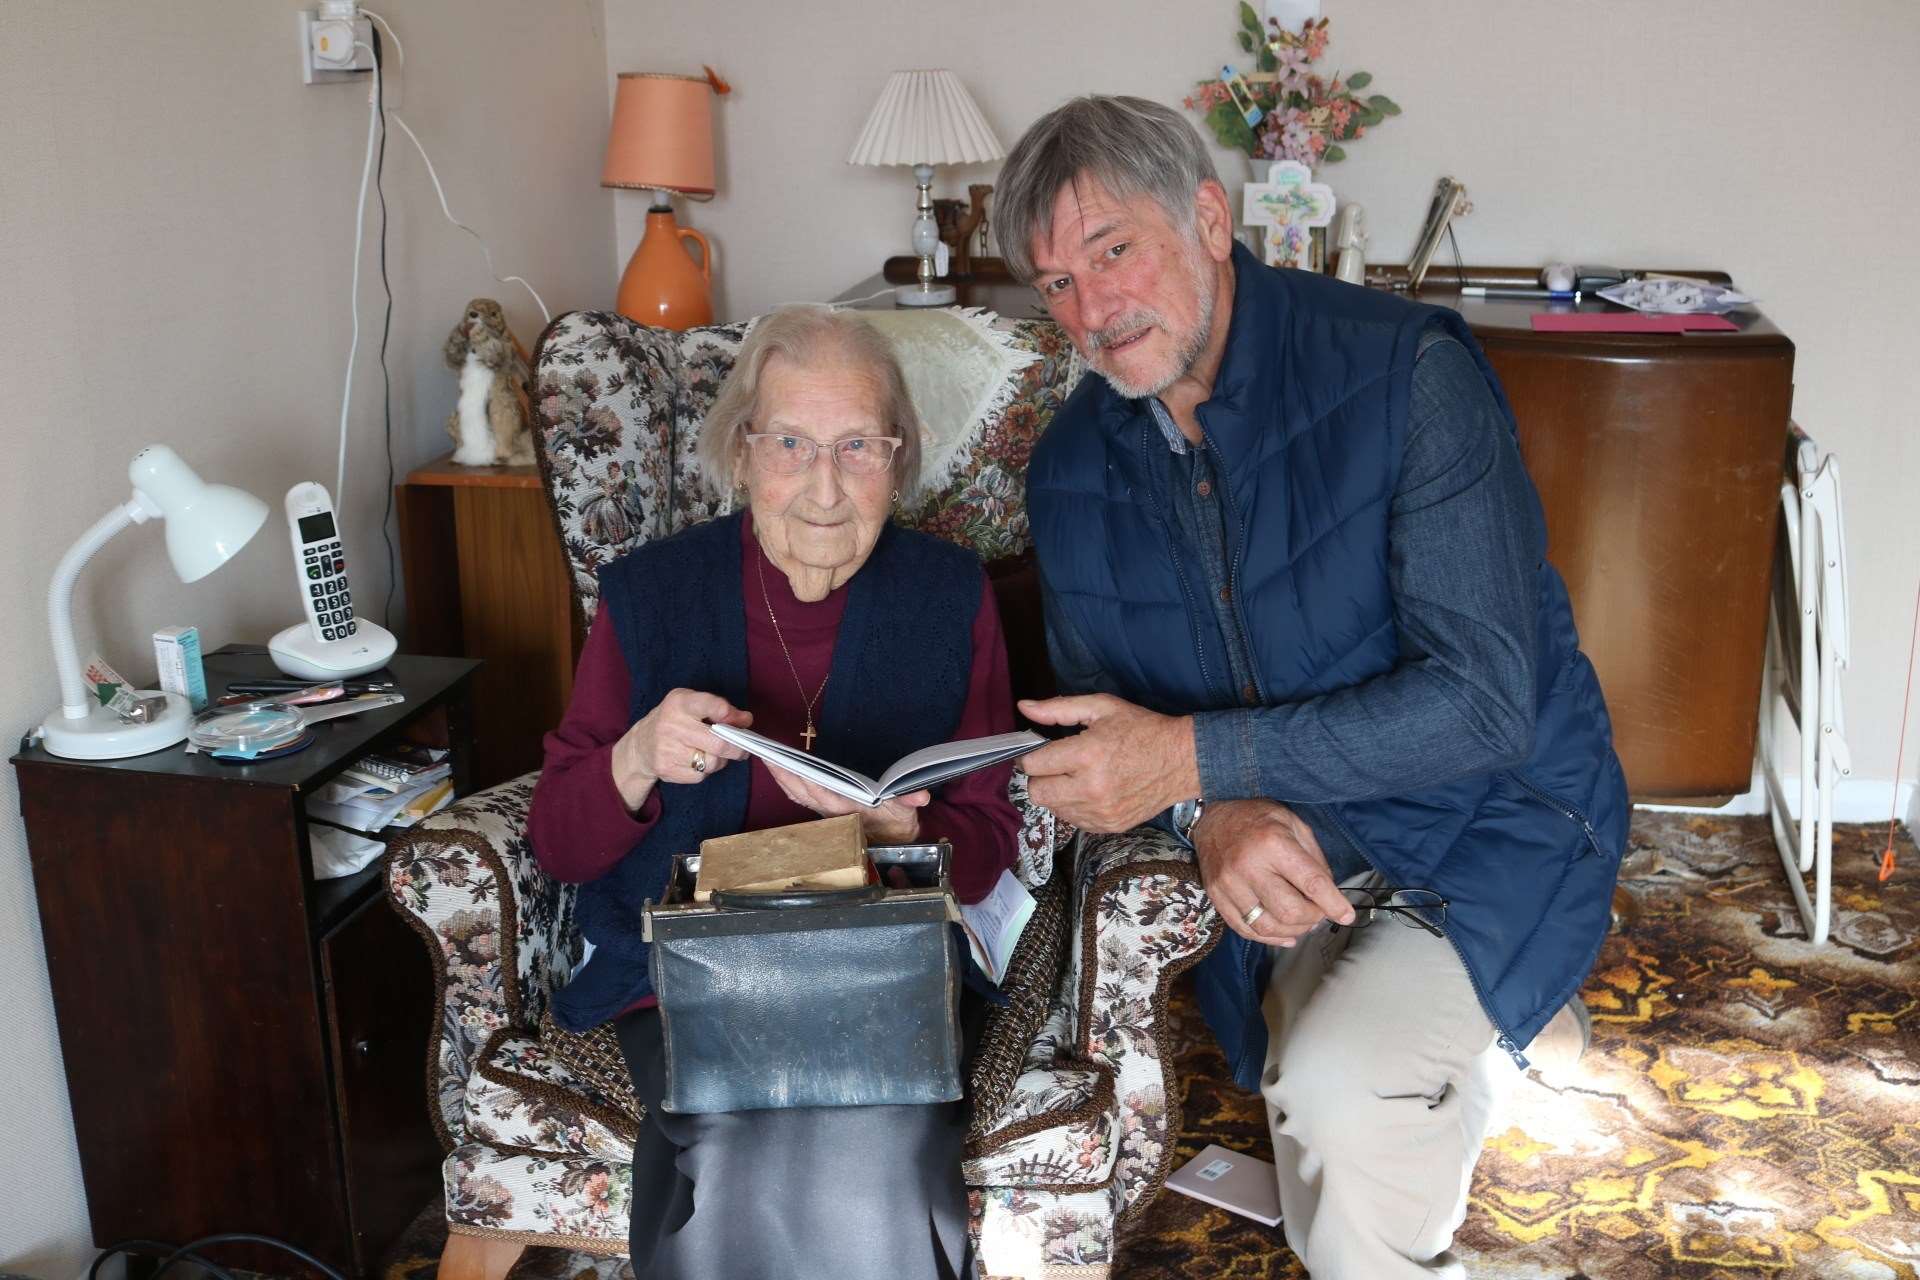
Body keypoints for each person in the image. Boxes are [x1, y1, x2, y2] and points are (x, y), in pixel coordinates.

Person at [996, 96, 1627, 1278]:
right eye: (1054, 284)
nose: (1089, 311)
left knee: (1333, 1090)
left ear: (1210, 216)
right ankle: (1487, 1038)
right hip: (1299, 850)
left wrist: (1195, 762)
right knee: (1309, 1095)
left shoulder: (1405, 373)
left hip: (1499, 815)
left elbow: (1483, 705)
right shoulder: (1074, 464)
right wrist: (1209, 811)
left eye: (1113, 250)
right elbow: (1117, 725)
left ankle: (1479, 1020)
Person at [527, 304, 1020, 1280]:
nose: (825, 485)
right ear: (743, 451)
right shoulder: (649, 593)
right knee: (735, 1140)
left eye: (858, 447)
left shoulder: (953, 594)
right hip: (691, 967)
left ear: (899, 457)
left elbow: (992, 831)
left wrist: (906, 832)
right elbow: (558, 842)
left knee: (884, 1138)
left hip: (876, 961)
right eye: (792, 443)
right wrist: (634, 755)